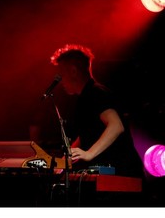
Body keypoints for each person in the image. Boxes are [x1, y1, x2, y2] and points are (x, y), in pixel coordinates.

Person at [49, 44, 144, 178]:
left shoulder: (96, 93)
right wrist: (65, 159)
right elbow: (87, 134)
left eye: (61, 73)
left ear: (73, 70)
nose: (60, 80)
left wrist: (89, 153)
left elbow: (116, 126)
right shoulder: (86, 97)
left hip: (124, 175)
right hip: (114, 174)